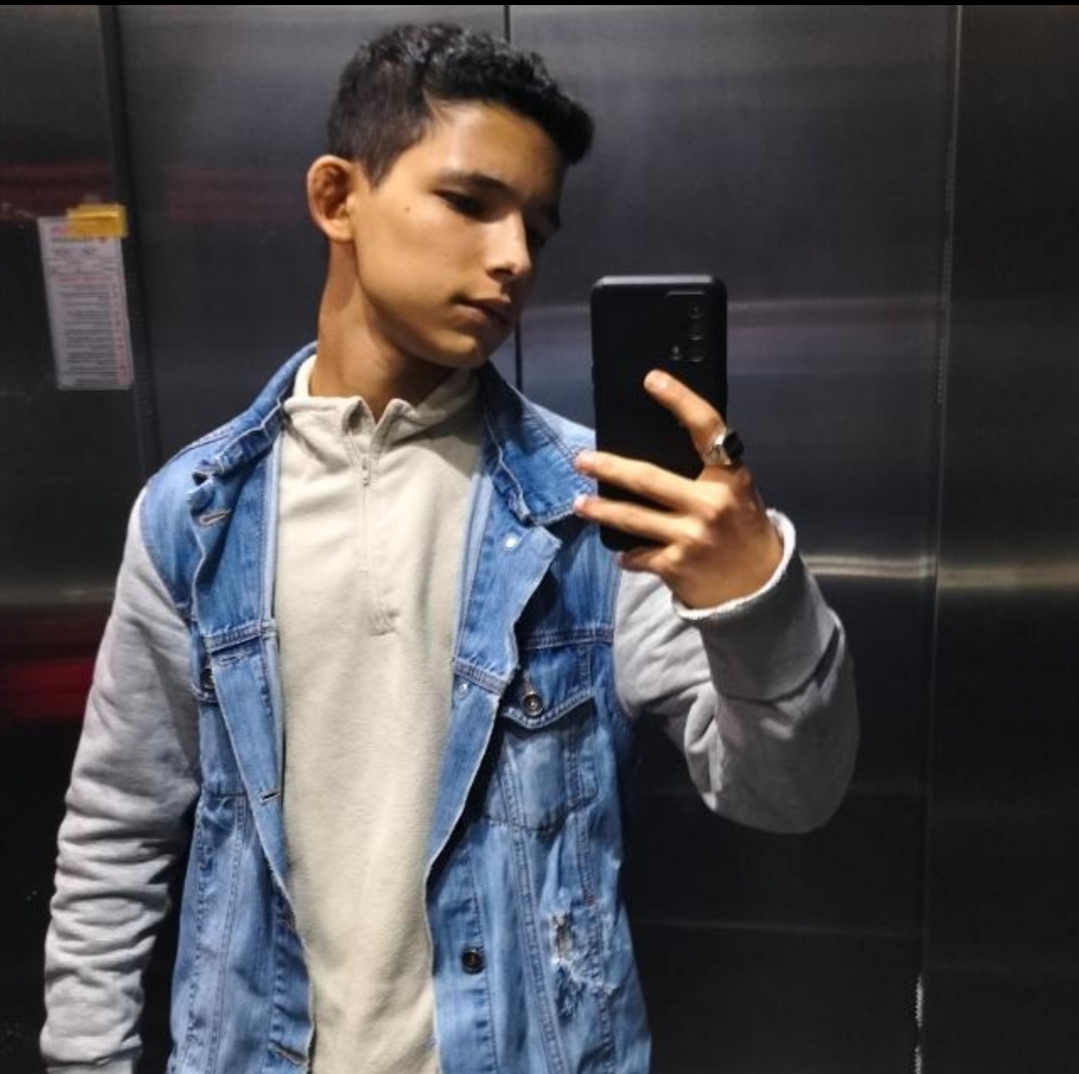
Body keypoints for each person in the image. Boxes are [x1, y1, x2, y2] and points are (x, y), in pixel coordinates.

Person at [41, 22, 857, 1074]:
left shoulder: (592, 511)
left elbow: (788, 795)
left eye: (536, 229)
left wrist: (755, 596)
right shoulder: (194, 516)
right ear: (337, 198)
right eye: (470, 203)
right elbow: (117, 828)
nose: (513, 258)